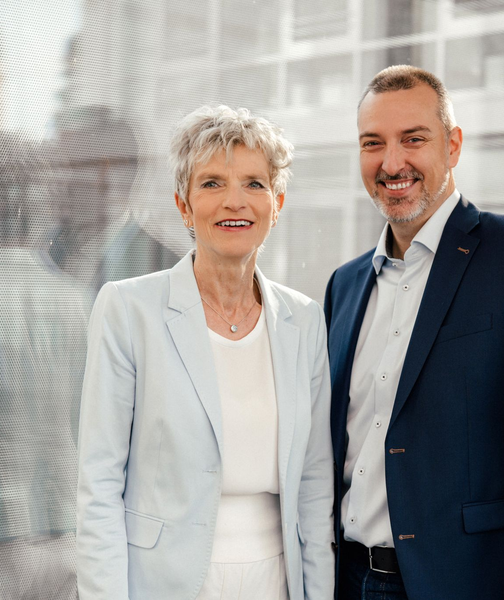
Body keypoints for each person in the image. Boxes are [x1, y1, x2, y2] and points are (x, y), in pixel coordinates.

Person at [324, 65, 504, 599]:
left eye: (413, 139)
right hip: (346, 581)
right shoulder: (344, 285)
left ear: (452, 146)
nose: (391, 163)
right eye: (372, 143)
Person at [76, 105, 334, 600]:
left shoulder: (304, 321)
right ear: (184, 205)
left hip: (277, 582)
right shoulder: (128, 309)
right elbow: (99, 485)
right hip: (163, 584)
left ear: (277, 203)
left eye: (254, 184)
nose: (235, 201)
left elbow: (315, 485)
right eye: (212, 183)